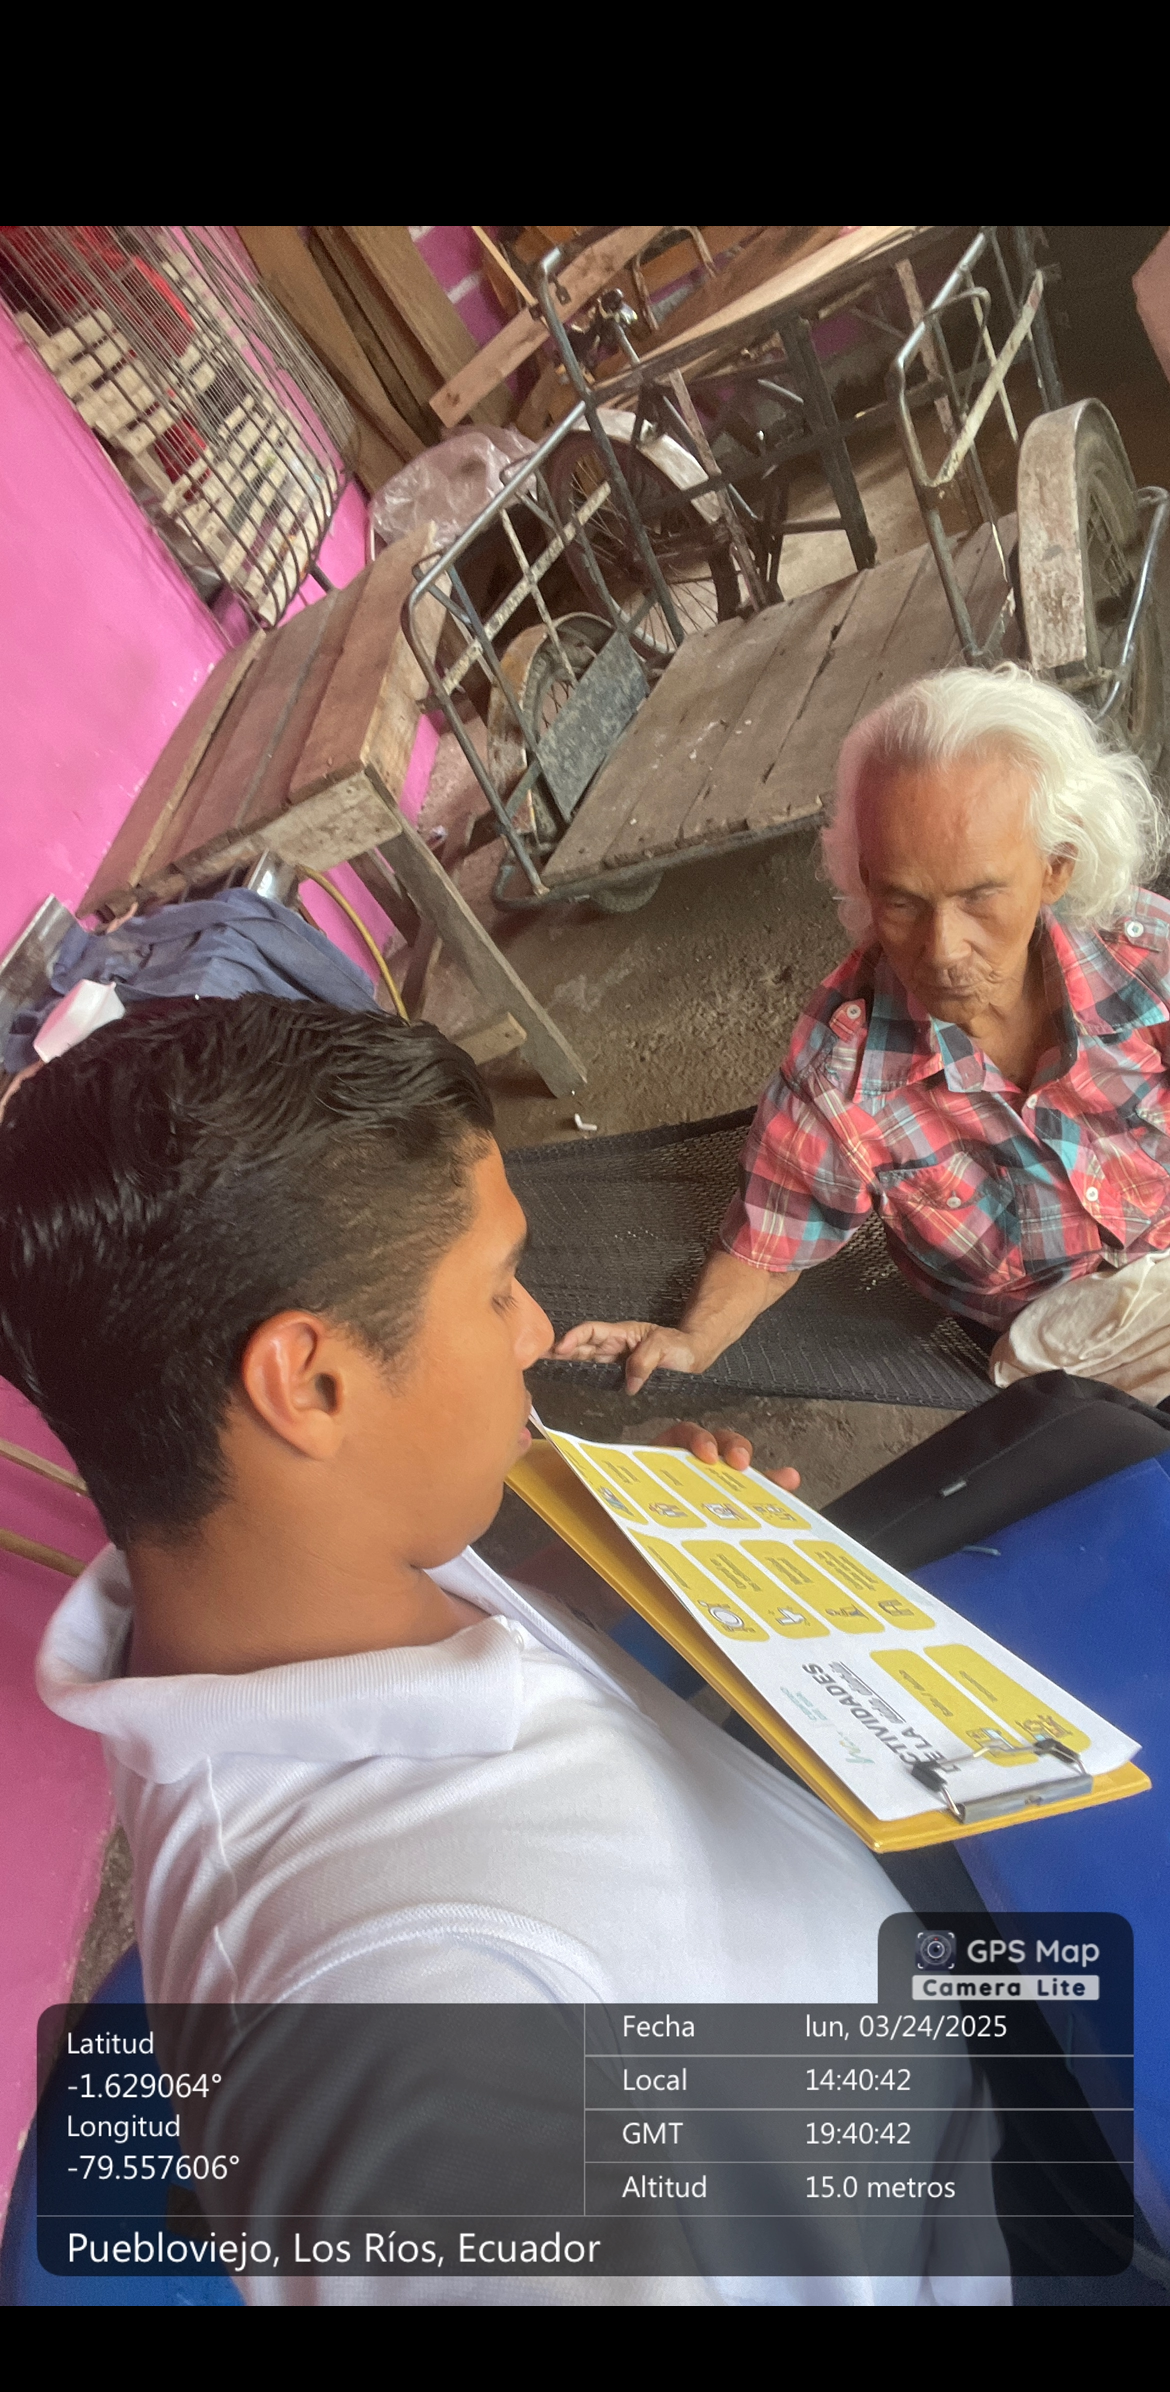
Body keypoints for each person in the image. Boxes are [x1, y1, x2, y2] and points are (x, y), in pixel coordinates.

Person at [0, 997, 1005, 2307]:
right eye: (493, 1288)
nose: (535, 1331)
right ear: (309, 1385)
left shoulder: (284, 1577)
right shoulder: (394, 2043)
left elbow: (472, 1689)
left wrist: (619, 1564)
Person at [554, 663, 1170, 1405]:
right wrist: (694, 1339)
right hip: (1065, 1343)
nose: (942, 950)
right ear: (865, 880)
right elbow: (769, 1242)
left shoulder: (1144, 953)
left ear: (1055, 869)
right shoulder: (840, 1080)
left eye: (980, 897)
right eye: (903, 903)